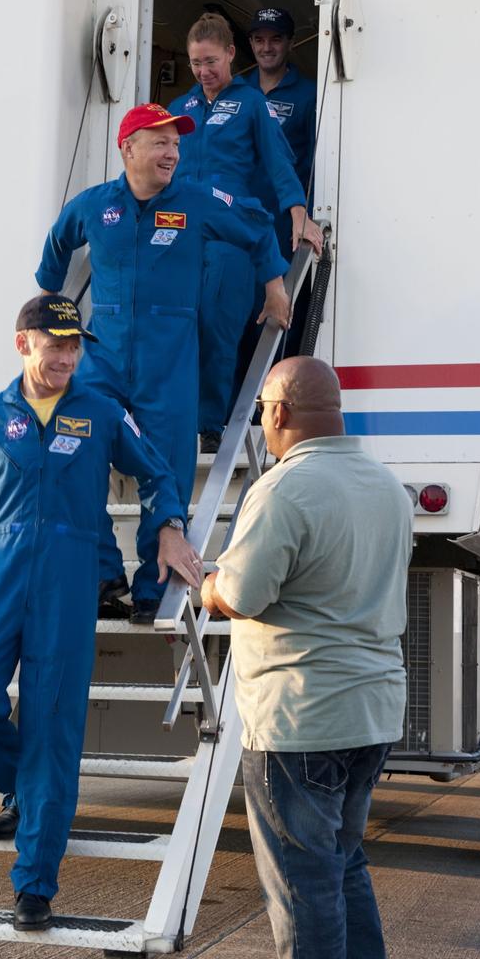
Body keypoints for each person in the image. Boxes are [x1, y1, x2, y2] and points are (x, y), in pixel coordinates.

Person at [0, 295, 201, 933]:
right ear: (22, 344)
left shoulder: (102, 410)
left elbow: (158, 475)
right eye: (54, 344)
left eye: (74, 346)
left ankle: (35, 883)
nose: (66, 356)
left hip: (68, 576)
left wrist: (169, 527)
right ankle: (25, 794)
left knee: (52, 728)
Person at [201, 356, 413, 959]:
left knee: (302, 887)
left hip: (297, 716)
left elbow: (243, 593)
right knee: (341, 868)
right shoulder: (385, 487)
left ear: (280, 413)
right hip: (370, 710)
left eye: (263, 407)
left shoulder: (284, 487)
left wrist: (205, 582)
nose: (261, 419)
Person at [36, 103, 289, 625]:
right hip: (101, 355)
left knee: (168, 475)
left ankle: (152, 590)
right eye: (161, 142)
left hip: (169, 360)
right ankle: (105, 573)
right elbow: (60, 240)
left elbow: (256, 227)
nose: (173, 152)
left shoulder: (196, 201)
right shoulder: (95, 205)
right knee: (73, 453)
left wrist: (274, 284)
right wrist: (47, 306)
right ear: (128, 149)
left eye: (176, 143)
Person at [169, 13, 323, 451]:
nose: (204, 71)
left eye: (212, 61)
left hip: (232, 236)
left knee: (219, 324)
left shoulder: (252, 102)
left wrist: (298, 212)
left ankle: (210, 425)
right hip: (183, 233)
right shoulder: (180, 109)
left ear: (232, 55)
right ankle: (174, 417)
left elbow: (279, 161)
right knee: (179, 325)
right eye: (196, 62)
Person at [243, 6, 319, 356]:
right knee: (243, 315)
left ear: (290, 43)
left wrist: (303, 213)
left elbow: (319, 161)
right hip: (242, 223)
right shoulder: (238, 91)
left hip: (284, 226)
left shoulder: (307, 94)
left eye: (275, 39)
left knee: (284, 317)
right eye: (259, 40)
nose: (267, 47)